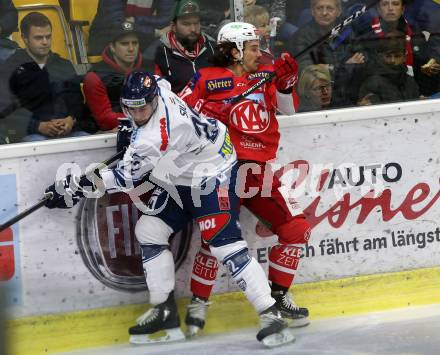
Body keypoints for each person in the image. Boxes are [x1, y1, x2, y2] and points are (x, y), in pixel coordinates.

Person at [44, 71, 295, 347]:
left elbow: (122, 179)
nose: (138, 114)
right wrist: (131, 129)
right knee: (149, 230)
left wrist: (74, 189)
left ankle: (270, 314)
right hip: (182, 171)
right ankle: (164, 310)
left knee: (224, 245)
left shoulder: (153, 138)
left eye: (143, 108)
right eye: (131, 108)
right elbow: (156, 83)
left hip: (214, 172)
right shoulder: (159, 88)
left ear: (153, 101)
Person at [180, 22, 310, 337]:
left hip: (259, 170)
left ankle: (278, 296)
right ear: (235, 50)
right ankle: (199, 300)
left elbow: (288, 109)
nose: (259, 52)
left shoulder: (264, 76)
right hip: (222, 170)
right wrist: (207, 118)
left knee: (296, 229)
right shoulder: (207, 79)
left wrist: (286, 84)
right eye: (253, 47)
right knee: (218, 240)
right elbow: (179, 116)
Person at [0, 12, 88, 142]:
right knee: (37, 142)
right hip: (30, 135)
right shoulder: (10, 68)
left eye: (48, 36)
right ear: (24, 38)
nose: (45, 42)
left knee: (85, 139)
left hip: (69, 132)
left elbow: (77, 102)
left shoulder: (64, 65)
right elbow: (6, 109)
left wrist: (71, 119)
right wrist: (37, 126)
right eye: (38, 38)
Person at [83, 21, 151, 131]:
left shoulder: (150, 69)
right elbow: (105, 119)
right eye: (124, 44)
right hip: (108, 134)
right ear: (112, 47)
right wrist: (146, 118)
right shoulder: (95, 76)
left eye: (135, 43)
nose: (131, 48)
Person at [154, 0, 215, 93]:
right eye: (186, 24)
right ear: (173, 26)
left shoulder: (212, 47)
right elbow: (158, 93)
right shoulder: (161, 52)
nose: (193, 29)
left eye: (196, 23)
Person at [288, 0, 365, 72]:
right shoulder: (301, 36)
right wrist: (344, 66)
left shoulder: (347, 30)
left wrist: (329, 67)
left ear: (339, 11)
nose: (324, 13)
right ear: (312, 11)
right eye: (319, 8)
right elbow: (307, 69)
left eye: (330, 8)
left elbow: (363, 58)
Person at [88, 0, 175, 57]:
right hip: (108, 37)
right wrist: (154, 32)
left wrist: (135, 19)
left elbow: (166, 19)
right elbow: (117, 23)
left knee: (169, 46)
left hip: (143, 39)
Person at [357, 31, 420, 105]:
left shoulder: (409, 81)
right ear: (381, 57)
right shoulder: (372, 82)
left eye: (397, 56)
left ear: (404, 57)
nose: (392, 60)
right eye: (388, 56)